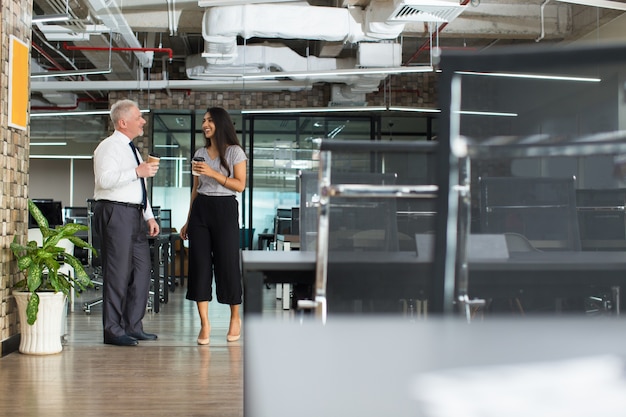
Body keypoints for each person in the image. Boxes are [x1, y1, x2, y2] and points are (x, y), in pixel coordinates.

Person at [93, 99, 160, 347]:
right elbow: (105, 180)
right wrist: (137, 172)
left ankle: (133, 326)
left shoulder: (131, 149)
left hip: (134, 215)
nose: (143, 120)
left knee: (142, 273)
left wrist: (149, 216)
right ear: (123, 122)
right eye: (138, 117)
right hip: (115, 213)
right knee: (118, 274)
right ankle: (112, 330)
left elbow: (137, 187)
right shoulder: (109, 147)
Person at [180, 107, 247, 345]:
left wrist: (212, 172)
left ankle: (235, 317)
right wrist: (188, 219)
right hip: (201, 210)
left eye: (209, 120)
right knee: (199, 264)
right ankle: (205, 324)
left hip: (225, 209)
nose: (205, 124)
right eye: (204, 120)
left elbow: (240, 186)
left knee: (227, 263)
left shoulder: (235, 153)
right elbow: (196, 189)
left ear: (220, 123)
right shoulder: (200, 152)